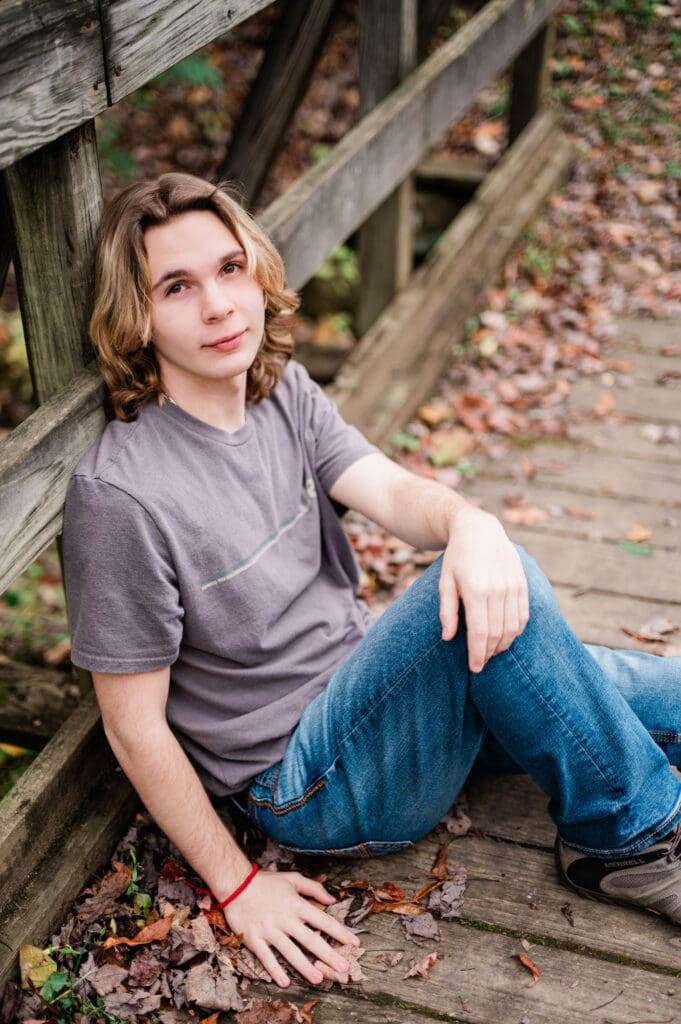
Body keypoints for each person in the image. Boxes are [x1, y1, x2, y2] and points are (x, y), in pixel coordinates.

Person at [63, 172, 681, 989]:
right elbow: (133, 726)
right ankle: (628, 843)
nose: (218, 305)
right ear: (135, 316)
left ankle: (628, 808)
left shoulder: (279, 391)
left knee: (625, 671)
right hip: (307, 782)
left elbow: (390, 491)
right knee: (478, 594)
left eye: (229, 269)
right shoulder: (120, 495)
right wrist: (239, 887)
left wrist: (470, 523)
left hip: (386, 702)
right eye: (176, 287)